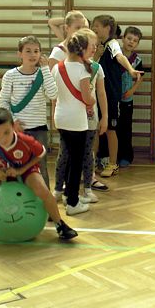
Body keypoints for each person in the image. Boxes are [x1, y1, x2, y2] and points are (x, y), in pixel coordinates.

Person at [0, 107, 77, 240]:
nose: (3, 138)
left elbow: (41, 152)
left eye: (6, 132)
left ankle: (60, 224)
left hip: (26, 172)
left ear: (13, 127)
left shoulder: (25, 140)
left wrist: (21, 170)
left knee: (43, 191)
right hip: (0, 173)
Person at [52, 29, 108, 204]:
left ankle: (75, 192)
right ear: (82, 48)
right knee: (72, 159)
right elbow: (87, 98)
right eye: (91, 45)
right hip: (77, 119)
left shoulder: (59, 67)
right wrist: (91, 100)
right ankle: (69, 197)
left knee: (77, 155)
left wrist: (104, 116)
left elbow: (53, 93)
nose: (94, 48)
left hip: (69, 117)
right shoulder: (82, 69)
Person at [0, 36, 57, 189]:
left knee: (41, 166)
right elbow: (3, 101)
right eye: (28, 51)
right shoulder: (10, 75)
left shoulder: (43, 73)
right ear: (20, 54)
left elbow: (53, 94)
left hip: (39, 129)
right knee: (15, 164)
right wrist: (12, 122)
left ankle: (44, 199)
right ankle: (16, 197)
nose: (33, 55)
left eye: (36, 51)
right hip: (18, 130)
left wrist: (46, 69)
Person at [91, 15, 142, 177]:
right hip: (96, 94)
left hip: (111, 95)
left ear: (107, 28)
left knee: (110, 129)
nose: (94, 28)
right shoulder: (97, 46)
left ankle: (113, 164)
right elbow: (91, 66)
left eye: (97, 25)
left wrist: (131, 70)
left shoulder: (113, 44)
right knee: (96, 129)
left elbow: (120, 57)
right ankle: (92, 162)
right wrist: (96, 55)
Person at [117, 26, 144, 167]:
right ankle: (111, 156)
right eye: (129, 38)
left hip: (127, 99)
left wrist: (132, 90)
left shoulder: (137, 59)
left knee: (125, 129)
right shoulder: (115, 55)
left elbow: (140, 78)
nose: (131, 42)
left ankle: (126, 156)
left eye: (134, 40)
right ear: (122, 38)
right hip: (112, 98)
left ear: (137, 44)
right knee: (112, 129)